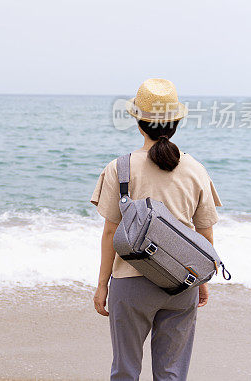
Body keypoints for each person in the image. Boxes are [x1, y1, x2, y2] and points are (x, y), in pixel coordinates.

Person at [90, 78, 222, 381]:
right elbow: (205, 234)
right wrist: (202, 279)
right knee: (172, 374)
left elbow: (111, 234)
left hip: (130, 282)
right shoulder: (195, 169)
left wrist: (102, 285)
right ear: (175, 123)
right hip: (183, 279)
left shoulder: (119, 168)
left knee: (124, 370)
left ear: (138, 122)